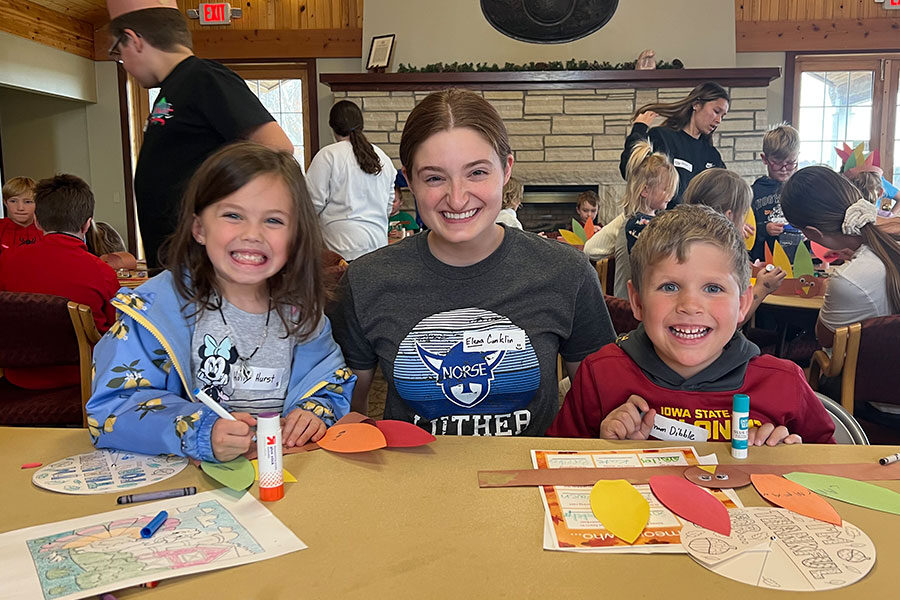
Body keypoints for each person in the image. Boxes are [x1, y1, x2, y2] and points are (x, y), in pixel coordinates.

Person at [328, 89, 615, 436]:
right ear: (409, 180)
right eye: (434, 177)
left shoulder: (566, 273)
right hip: (410, 483)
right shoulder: (366, 280)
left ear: (506, 169)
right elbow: (347, 416)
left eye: (477, 172)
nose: (458, 197)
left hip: (528, 483)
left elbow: (601, 406)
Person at [86, 142, 354, 462]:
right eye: (232, 215)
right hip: (185, 485)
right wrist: (200, 431)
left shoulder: (303, 314)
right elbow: (111, 411)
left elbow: (329, 384)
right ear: (199, 227)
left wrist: (313, 413)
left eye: (273, 220)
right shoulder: (153, 311)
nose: (253, 234)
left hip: (283, 477)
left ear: (295, 235)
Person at [547, 205, 835, 444]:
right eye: (669, 287)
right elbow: (554, 468)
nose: (690, 306)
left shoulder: (784, 383)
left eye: (712, 288)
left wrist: (790, 461)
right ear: (637, 301)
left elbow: (831, 472)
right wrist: (604, 447)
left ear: (744, 303)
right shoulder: (600, 375)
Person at [107, 6, 292, 269]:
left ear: (134, 40)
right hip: (175, 263)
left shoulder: (203, 77)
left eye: (118, 51)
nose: (123, 63)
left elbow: (276, 147)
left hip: (200, 263)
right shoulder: (173, 87)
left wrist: (222, 214)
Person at [0, 174, 120, 389]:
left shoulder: (6, 261)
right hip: (84, 380)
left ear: (37, 221)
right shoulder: (102, 272)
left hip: (17, 378)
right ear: (86, 225)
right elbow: (115, 333)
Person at [781, 166, 900, 348]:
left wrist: (836, 285)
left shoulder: (848, 280)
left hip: (870, 373)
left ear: (812, 233)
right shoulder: (890, 237)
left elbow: (825, 338)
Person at [683, 168, 786, 320]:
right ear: (729, 216)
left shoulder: (685, 243)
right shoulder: (719, 258)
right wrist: (763, 288)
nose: (745, 223)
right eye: (744, 215)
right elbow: (733, 320)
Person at [306, 100, 397, 260]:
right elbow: (388, 207)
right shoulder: (383, 158)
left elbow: (311, 205)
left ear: (332, 126)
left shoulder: (328, 155)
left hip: (340, 249)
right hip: (378, 247)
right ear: (361, 124)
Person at [620, 82, 728, 207]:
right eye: (716, 111)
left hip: (699, 225)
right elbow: (629, 171)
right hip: (664, 223)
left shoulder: (713, 156)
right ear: (696, 104)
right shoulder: (662, 137)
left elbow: (724, 197)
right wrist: (639, 128)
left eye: (723, 116)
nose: (719, 120)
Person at [612, 140, 678, 298]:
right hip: (630, 307)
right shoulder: (638, 224)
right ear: (645, 191)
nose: (671, 195)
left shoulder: (649, 220)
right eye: (666, 189)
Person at [750, 124, 804, 262]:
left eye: (791, 163)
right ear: (765, 159)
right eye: (777, 162)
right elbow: (748, 228)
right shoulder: (754, 192)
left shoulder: (803, 190)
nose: (784, 168)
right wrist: (764, 229)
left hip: (797, 258)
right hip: (763, 259)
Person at [0, 176, 42, 256]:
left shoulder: (47, 229)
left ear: (37, 203)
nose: (20, 208)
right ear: (5, 202)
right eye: (13, 201)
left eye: (27, 202)